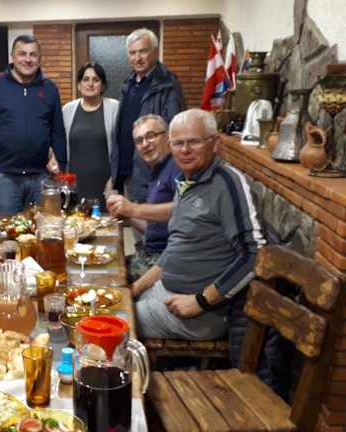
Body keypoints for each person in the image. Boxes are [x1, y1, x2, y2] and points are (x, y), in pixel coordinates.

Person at [132, 109, 265, 340]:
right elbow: (174, 251)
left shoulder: (227, 183)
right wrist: (134, 289)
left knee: (111, 322)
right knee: (107, 302)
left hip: (200, 315)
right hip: (164, 291)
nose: (184, 150)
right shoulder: (185, 182)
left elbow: (255, 254)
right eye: (178, 143)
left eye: (194, 142)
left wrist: (200, 301)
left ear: (215, 143)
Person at [0, 34, 67, 216]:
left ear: (40, 58)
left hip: (42, 176)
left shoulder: (49, 88)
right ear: (12, 56)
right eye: (22, 54)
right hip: (5, 177)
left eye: (33, 54)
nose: (27, 59)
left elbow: (58, 132)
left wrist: (61, 165)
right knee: (7, 230)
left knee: (44, 227)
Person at [113, 28, 187, 205]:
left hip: (154, 172)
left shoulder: (168, 84)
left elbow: (175, 131)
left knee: (151, 219)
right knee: (134, 218)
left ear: (155, 51)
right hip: (128, 170)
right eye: (132, 53)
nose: (137, 58)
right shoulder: (129, 83)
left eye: (143, 51)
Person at [106, 114, 179, 282]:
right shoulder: (157, 170)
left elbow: (182, 210)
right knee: (104, 261)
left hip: (164, 261)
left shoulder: (176, 166)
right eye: (139, 141)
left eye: (151, 136)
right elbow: (154, 229)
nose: (145, 144)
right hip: (149, 253)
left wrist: (133, 208)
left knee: (107, 278)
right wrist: (127, 216)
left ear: (167, 136)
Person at [47, 62, 119, 208]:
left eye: (96, 80)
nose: (90, 84)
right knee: (76, 219)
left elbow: (122, 148)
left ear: (103, 86)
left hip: (106, 184)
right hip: (74, 184)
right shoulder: (68, 109)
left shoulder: (115, 108)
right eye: (85, 79)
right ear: (79, 85)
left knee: (105, 221)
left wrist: (113, 179)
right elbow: (57, 141)